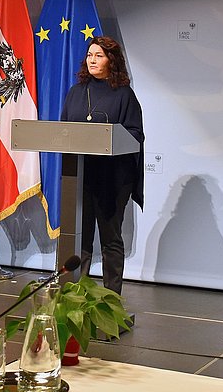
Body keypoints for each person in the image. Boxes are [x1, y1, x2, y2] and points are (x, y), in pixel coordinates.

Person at [61, 36, 144, 295]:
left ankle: (110, 302)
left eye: (99, 55)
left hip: (113, 179)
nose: (93, 60)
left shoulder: (124, 95)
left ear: (111, 60)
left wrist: (108, 138)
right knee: (79, 239)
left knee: (110, 240)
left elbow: (134, 135)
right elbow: (63, 130)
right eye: (90, 55)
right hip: (80, 176)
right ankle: (74, 296)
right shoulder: (76, 92)